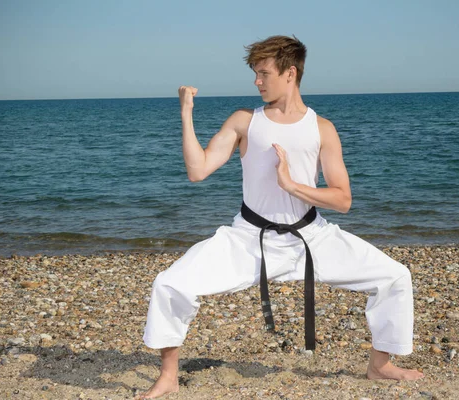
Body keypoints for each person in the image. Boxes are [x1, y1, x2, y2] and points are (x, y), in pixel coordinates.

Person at [135, 35, 423, 399]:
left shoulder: (322, 129)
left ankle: (380, 365)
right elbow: (198, 170)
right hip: (247, 239)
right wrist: (186, 113)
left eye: (263, 73)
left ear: (290, 73)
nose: (257, 81)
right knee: (170, 283)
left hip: (311, 237)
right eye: (255, 73)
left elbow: (343, 199)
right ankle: (168, 376)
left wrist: (291, 185)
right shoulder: (244, 122)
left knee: (395, 276)